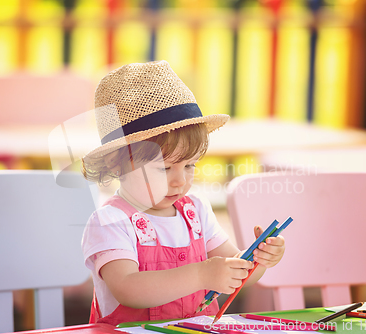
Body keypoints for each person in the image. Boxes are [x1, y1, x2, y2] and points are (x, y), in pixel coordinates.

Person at [81, 60, 285, 325]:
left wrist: (258, 259)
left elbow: (234, 271)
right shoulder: (110, 221)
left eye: (189, 165)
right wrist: (202, 275)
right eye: (165, 168)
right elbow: (128, 289)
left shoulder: (195, 211)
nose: (180, 181)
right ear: (115, 163)